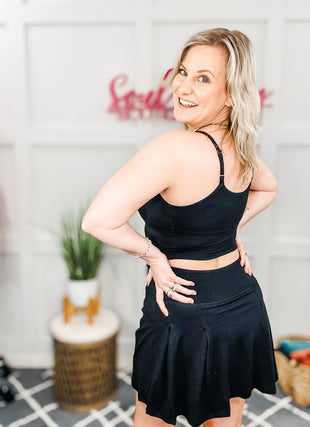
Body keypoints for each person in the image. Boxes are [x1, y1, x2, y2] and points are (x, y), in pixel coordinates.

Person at [82, 27, 279, 427]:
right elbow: (268, 187)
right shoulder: (240, 145)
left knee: (152, 415)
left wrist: (153, 257)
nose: (182, 86)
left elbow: (97, 221)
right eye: (183, 71)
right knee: (228, 413)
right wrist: (228, 227)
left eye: (203, 78)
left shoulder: (172, 148)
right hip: (241, 301)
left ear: (230, 94)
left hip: (180, 308)